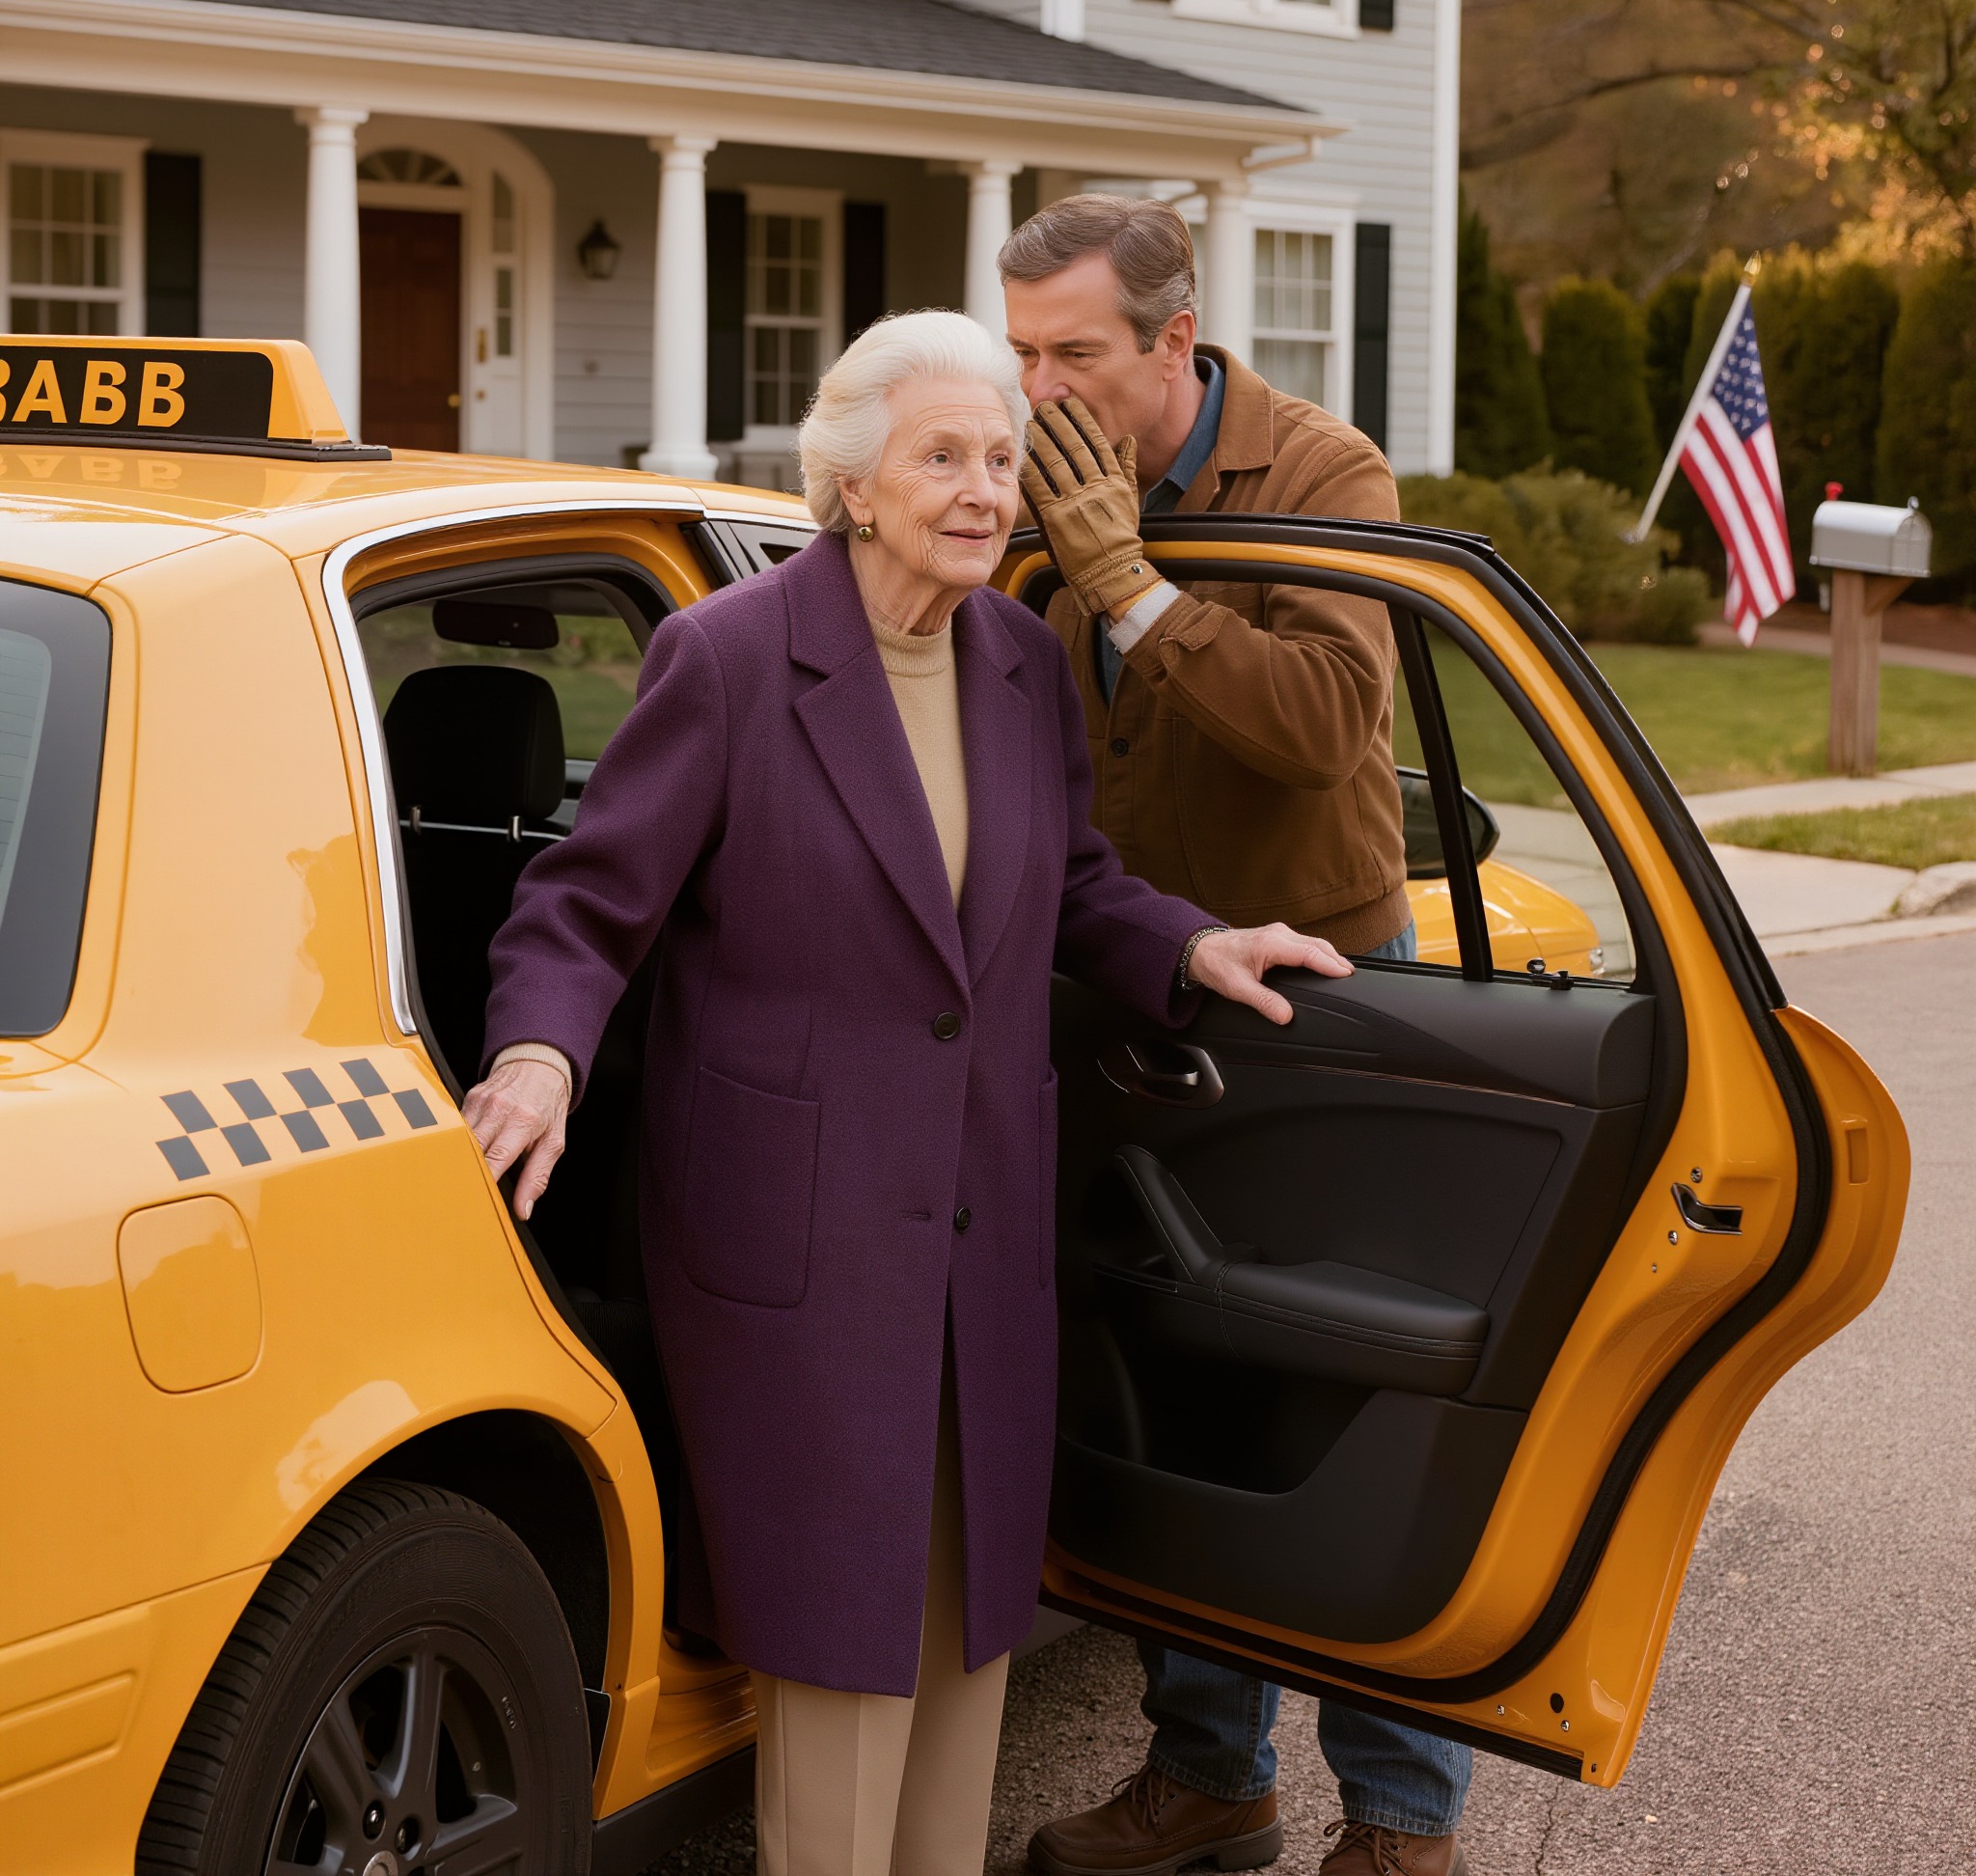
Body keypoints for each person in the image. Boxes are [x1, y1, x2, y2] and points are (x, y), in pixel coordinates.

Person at [461, 310, 1357, 1876]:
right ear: (853, 483)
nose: (983, 488)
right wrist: (541, 1054)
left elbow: (1072, 881)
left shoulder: (1016, 658)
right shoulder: (731, 659)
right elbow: (588, 904)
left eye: (1003, 458)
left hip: (978, 1226)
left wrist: (1194, 942)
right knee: (835, 1650)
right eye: (943, 456)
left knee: (963, 1643)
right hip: (794, 1249)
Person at [1002, 196, 1473, 1876]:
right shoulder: (1038, 490)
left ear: (1172, 346)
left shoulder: (1323, 476)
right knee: (1167, 1393)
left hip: (1320, 997)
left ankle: (1404, 1826)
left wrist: (1126, 581)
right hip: (1131, 988)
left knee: (1338, 1394)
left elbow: (1327, 722)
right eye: (1022, 352)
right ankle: (1211, 1780)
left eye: (1075, 353)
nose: (1039, 388)